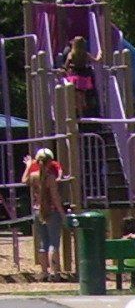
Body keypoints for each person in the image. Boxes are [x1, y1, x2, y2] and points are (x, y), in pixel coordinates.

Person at [20, 147, 65, 280]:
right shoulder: (50, 178)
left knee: (42, 243)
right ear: (50, 161)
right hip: (52, 211)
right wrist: (62, 213)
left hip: (37, 210)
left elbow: (24, 180)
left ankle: (44, 272)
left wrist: (28, 166)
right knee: (54, 243)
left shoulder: (33, 177)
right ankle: (54, 273)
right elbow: (55, 197)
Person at [61, 36, 97, 118]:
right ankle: (83, 111)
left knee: (76, 96)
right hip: (84, 76)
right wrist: (100, 55)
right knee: (82, 95)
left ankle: (78, 112)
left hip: (74, 76)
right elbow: (96, 60)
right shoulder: (85, 54)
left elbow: (66, 65)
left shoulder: (71, 54)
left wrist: (63, 70)